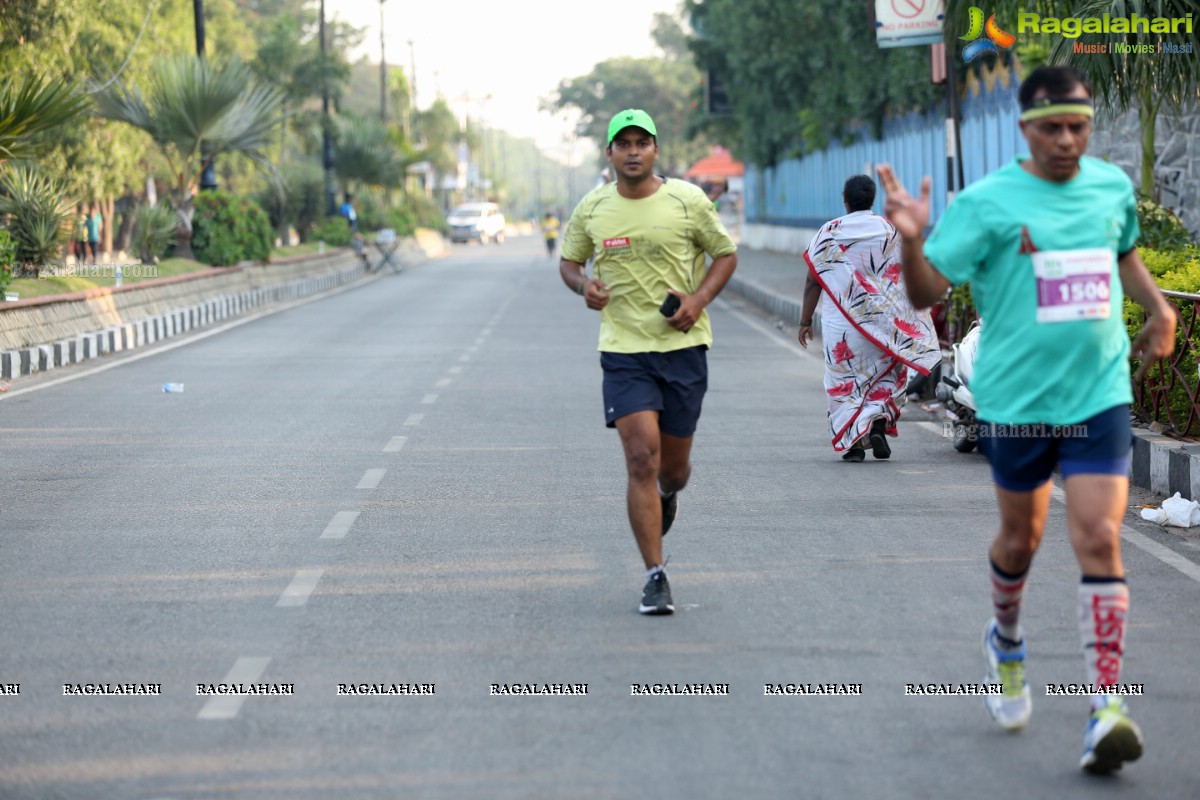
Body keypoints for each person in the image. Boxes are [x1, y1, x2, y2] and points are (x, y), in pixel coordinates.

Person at [876, 65, 1177, 774]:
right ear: (1025, 130)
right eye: (1053, 128)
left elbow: (1125, 254)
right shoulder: (986, 203)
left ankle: (1107, 707)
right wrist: (915, 241)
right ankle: (1006, 640)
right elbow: (925, 291)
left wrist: (1160, 308)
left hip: (1098, 395)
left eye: (1079, 127)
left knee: (1101, 538)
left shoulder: (1108, 188)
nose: (1068, 140)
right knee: (1022, 538)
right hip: (1015, 403)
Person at [559, 109, 738, 615]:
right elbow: (569, 263)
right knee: (641, 457)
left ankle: (668, 491)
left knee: (673, 469)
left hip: (683, 348)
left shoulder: (687, 200)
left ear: (656, 150)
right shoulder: (593, 208)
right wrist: (583, 286)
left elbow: (725, 254)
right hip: (623, 351)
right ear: (610, 153)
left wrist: (698, 300)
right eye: (623, 144)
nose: (633, 151)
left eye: (642, 142)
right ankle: (655, 576)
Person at [797, 174, 940, 462]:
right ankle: (876, 423)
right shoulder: (891, 230)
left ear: (845, 199)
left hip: (842, 326)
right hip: (885, 323)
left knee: (845, 380)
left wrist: (804, 321)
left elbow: (814, 280)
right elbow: (910, 273)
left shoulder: (830, 232)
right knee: (884, 374)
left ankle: (854, 444)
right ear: (873, 198)